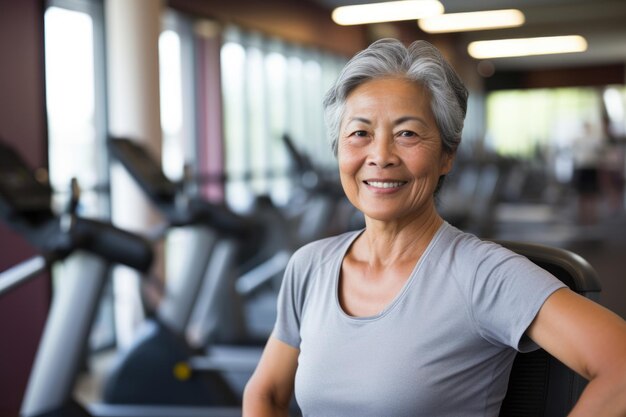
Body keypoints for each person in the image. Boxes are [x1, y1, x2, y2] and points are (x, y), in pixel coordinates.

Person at [243, 38, 626, 417]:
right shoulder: (309, 267)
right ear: (339, 149)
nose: (380, 156)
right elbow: (266, 394)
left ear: (447, 155)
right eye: (360, 133)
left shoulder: (482, 274)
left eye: (407, 133)